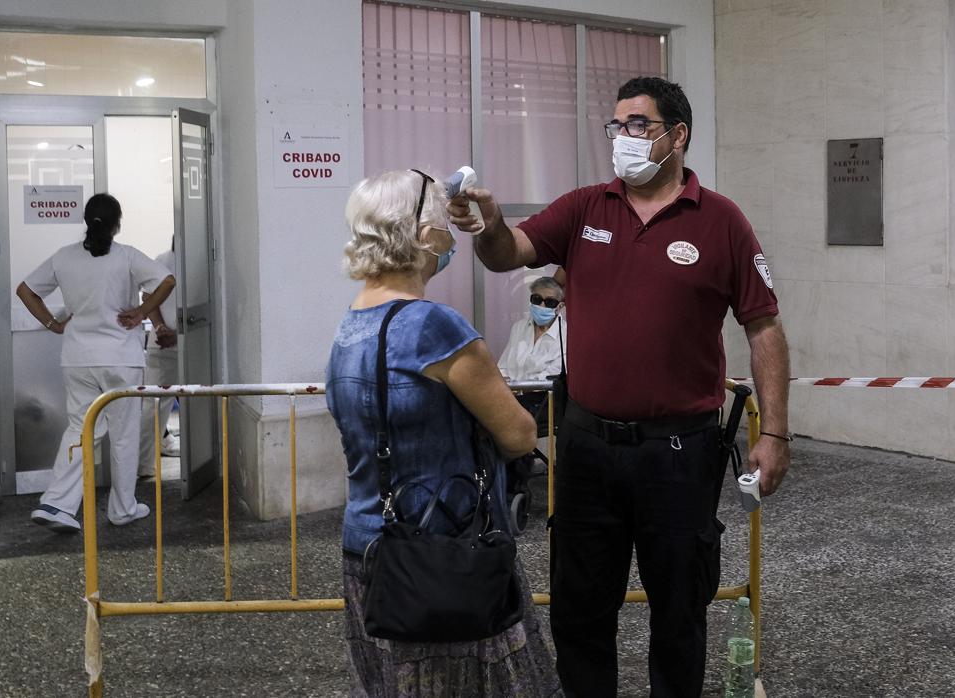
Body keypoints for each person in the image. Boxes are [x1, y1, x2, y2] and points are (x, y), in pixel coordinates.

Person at [448, 76, 792, 697]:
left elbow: (764, 328)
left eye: (639, 125)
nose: (624, 137)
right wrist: (490, 225)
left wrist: (774, 431)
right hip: (587, 451)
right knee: (581, 612)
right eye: (617, 126)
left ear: (677, 136)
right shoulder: (586, 207)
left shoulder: (721, 222)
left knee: (679, 612)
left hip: (680, 453)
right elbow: (508, 254)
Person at [326, 169, 562, 697]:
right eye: (441, 214)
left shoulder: (351, 324)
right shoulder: (433, 326)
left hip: (369, 549)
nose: (450, 231)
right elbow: (520, 434)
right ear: (420, 233)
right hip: (446, 552)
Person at [16, 193, 175, 533]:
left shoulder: (64, 258)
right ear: (118, 224)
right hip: (121, 359)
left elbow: (26, 291)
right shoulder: (128, 256)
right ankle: (122, 509)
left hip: (77, 359)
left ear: (87, 222)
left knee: (80, 428)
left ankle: (57, 503)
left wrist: (53, 325)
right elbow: (167, 281)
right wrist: (143, 313)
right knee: (123, 435)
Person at [138, 241, 181, 476]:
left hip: (160, 341)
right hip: (183, 342)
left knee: (152, 405)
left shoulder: (160, 260)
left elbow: (146, 297)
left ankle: (143, 465)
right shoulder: (199, 260)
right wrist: (171, 332)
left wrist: (160, 326)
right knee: (200, 401)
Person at [497, 276, 567, 384]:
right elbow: (503, 367)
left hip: (543, 397)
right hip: (510, 394)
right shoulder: (519, 327)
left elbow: (552, 376)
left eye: (549, 302)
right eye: (537, 299)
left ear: (560, 306)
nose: (541, 306)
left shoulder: (566, 334)